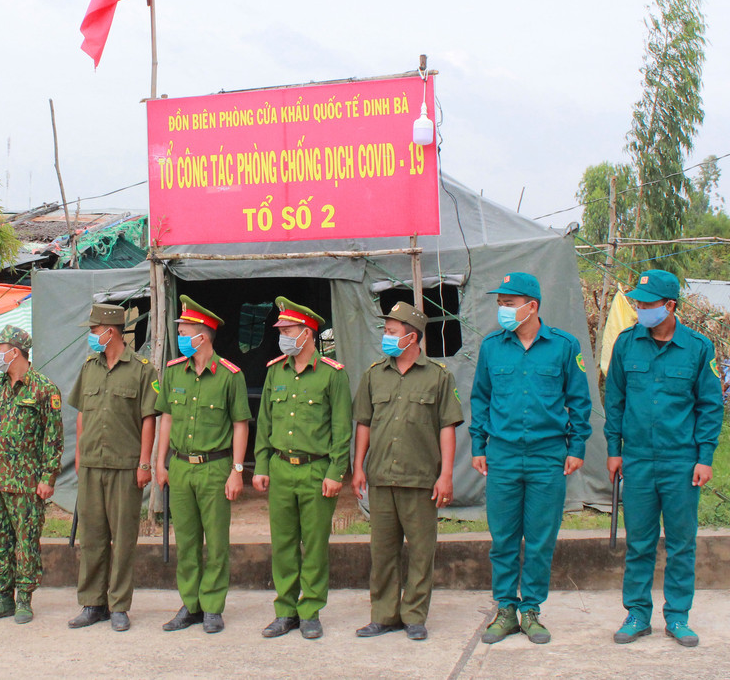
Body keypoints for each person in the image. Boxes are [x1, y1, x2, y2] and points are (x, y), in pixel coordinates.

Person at [470, 272, 592, 645]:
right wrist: (478, 446)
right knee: (503, 538)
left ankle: (531, 610)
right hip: (503, 455)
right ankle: (506, 610)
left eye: (509, 303)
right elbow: (480, 398)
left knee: (540, 538)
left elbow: (580, 401)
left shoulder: (563, 346)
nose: (502, 309)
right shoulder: (492, 347)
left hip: (546, 456)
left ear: (532, 306)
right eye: (500, 303)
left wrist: (577, 447)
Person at [605, 270, 724, 648]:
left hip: (681, 461)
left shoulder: (698, 347)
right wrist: (613, 450)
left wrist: (704, 457)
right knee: (639, 542)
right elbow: (615, 402)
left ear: (670, 306)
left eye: (648, 304)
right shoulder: (626, 345)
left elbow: (710, 406)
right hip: (637, 460)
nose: (640, 309)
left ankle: (677, 617)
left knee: (681, 542)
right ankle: (637, 614)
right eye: (638, 303)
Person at [352, 301, 463, 641]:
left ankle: (414, 615)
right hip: (382, 476)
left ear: (411, 337)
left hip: (420, 478)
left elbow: (447, 427)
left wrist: (445, 475)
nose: (385, 337)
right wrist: (358, 467)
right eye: (385, 331)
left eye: (391, 332)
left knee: (420, 550)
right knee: (382, 551)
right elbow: (364, 424)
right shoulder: (374, 375)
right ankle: (383, 615)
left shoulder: (439, 377)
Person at [252, 296, 352, 640]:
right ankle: (285, 611)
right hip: (281, 468)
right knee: (282, 543)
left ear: (307, 333)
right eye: (281, 329)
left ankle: (310, 610)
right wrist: (260, 465)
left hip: (315, 470)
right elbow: (264, 422)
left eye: (288, 329)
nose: (282, 335)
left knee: (314, 543)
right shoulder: (274, 371)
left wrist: (336, 472)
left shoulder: (331, 374)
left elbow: (342, 429)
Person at [155, 295, 252, 634]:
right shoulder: (173, 372)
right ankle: (190, 604)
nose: (180, 335)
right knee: (187, 540)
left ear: (203, 335)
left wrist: (237, 471)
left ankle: (212, 606)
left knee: (216, 540)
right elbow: (165, 417)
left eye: (185, 330)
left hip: (215, 467)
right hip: (180, 465)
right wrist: (160, 462)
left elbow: (241, 424)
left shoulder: (229, 376)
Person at [66, 303, 158, 632]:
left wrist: (144, 462)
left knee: (123, 538)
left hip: (125, 464)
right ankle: (93, 604)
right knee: (92, 537)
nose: (91, 337)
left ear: (111, 331)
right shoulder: (89, 366)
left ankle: (119, 605)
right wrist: (78, 453)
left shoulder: (142, 369)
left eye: (94, 331)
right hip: (91, 463)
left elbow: (149, 418)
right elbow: (81, 414)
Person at [0, 325, 64, 625]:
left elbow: (53, 438)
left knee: (26, 542)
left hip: (26, 483)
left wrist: (48, 478)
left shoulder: (44, 389)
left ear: (16, 351)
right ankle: (2, 597)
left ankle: (24, 598)